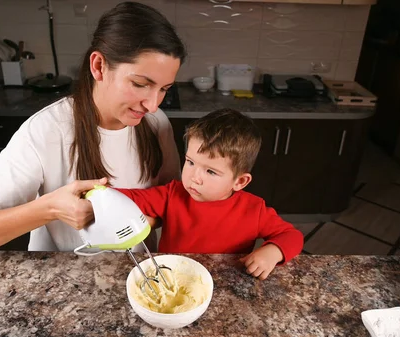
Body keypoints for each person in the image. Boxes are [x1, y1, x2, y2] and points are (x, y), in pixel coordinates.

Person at [0, 2, 186, 254]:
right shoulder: (45, 131)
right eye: (140, 84)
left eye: (164, 89)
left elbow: (174, 202)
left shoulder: (156, 122)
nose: (152, 105)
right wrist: (50, 209)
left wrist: (137, 222)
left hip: (137, 275)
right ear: (98, 66)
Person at [116, 109, 304, 280]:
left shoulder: (254, 209)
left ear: (239, 182)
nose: (194, 178)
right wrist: (97, 193)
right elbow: (133, 198)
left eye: (211, 172)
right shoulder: (172, 193)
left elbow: (292, 236)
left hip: (225, 282)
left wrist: (273, 251)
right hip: (171, 279)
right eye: (190, 162)